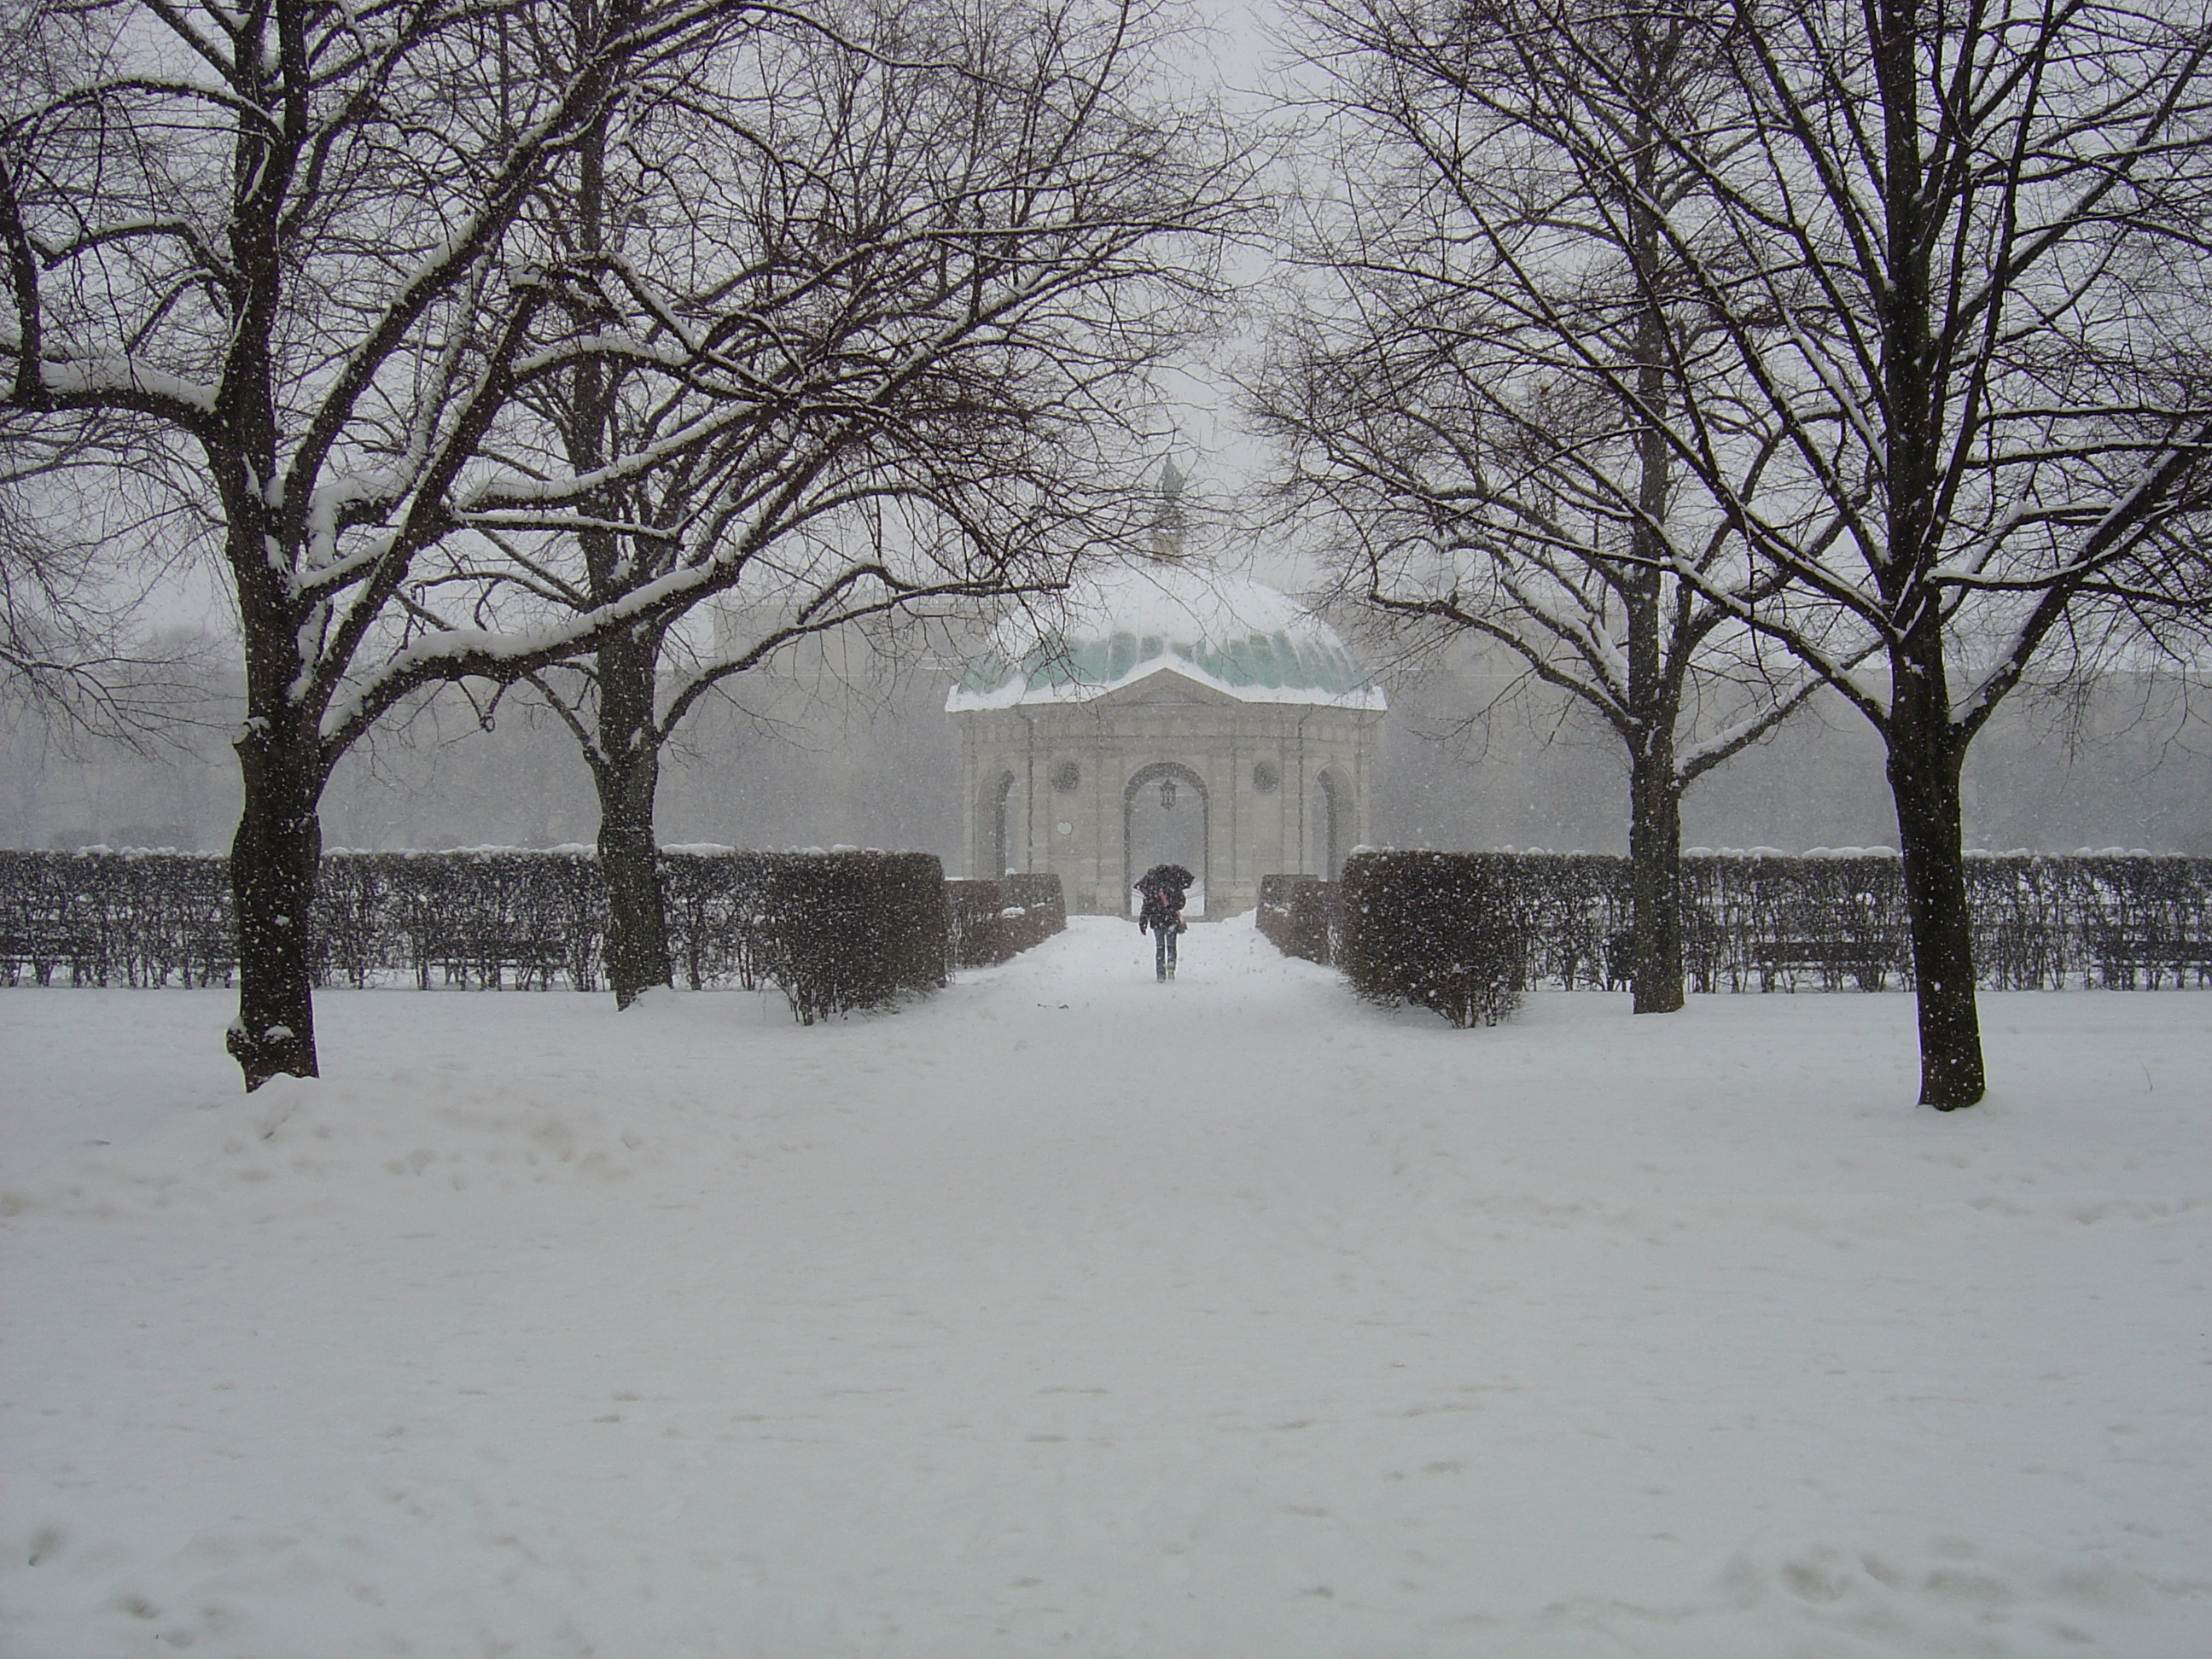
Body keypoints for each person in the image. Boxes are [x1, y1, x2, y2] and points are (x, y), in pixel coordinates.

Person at [1134, 864, 1190, 981]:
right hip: (1171, 920)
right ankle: (1171, 963)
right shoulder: (1174, 885)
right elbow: (1181, 903)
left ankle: (1160, 973)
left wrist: (1143, 923)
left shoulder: (1151, 887)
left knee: (1160, 947)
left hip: (1157, 921)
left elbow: (1146, 908)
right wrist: (1171, 905)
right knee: (1171, 945)